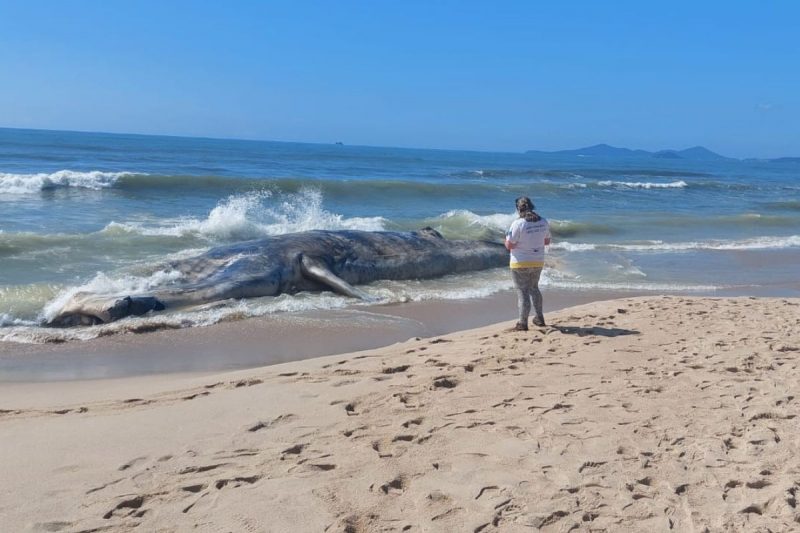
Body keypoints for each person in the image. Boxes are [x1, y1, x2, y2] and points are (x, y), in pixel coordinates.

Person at [505, 196, 551, 331]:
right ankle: (539, 318)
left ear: (518, 209)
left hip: (520, 262)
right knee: (534, 289)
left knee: (522, 292)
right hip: (537, 260)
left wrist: (505, 239)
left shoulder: (518, 223)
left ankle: (522, 323)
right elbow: (547, 242)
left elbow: (510, 245)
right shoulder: (543, 222)